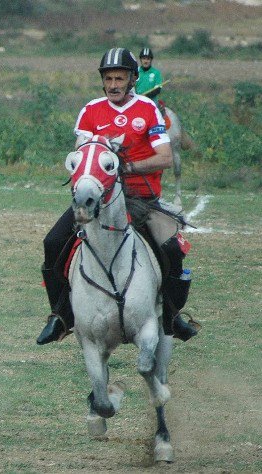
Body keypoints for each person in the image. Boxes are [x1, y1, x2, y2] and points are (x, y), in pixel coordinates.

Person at [35, 47, 197, 345]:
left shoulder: (147, 110)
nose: (113, 84)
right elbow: (83, 156)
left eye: (119, 78)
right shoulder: (91, 110)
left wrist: (126, 166)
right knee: (53, 242)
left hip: (143, 199)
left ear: (132, 79)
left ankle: (172, 316)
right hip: (100, 200)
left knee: (172, 248)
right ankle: (60, 316)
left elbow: (163, 157)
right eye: (108, 78)